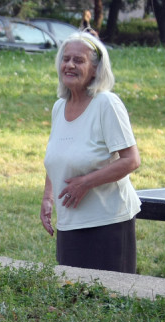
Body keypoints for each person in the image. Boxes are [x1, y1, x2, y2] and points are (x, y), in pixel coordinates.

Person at [40, 32, 141, 273]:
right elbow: (58, 156)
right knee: (73, 297)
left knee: (107, 300)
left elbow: (131, 160)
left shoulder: (106, 104)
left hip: (108, 223)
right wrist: (48, 197)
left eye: (79, 60)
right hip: (69, 223)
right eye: (66, 59)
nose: (70, 65)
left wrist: (85, 183)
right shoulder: (59, 107)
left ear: (95, 70)